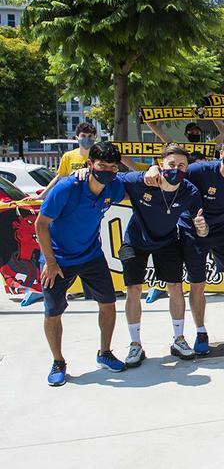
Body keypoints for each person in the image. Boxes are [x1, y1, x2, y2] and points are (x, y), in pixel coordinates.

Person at [146, 136, 224, 353]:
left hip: (221, 229)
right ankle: (200, 331)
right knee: (197, 285)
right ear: (220, 154)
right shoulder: (199, 170)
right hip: (192, 230)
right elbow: (170, 171)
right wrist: (153, 168)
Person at [37, 142, 128, 386]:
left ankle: (105, 353)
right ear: (90, 164)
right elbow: (41, 224)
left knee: (108, 303)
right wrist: (50, 261)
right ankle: (58, 362)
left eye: (112, 167)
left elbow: (137, 183)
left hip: (91, 256)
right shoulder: (68, 187)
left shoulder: (114, 186)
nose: (107, 170)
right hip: (57, 259)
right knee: (53, 312)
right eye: (102, 165)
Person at [118, 145, 207, 366]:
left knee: (175, 288)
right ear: (161, 164)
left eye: (181, 165)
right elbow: (112, 178)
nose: (176, 169)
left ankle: (179, 339)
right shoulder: (142, 181)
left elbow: (199, 224)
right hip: (136, 240)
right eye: (171, 164)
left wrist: (202, 228)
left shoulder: (190, 191)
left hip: (167, 240)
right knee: (134, 290)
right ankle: (135, 345)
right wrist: (79, 173)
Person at [40, 123, 97, 199]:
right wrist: (41, 196)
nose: (86, 139)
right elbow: (59, 178)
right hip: (71, 199)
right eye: (83, 136)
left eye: (90, 136)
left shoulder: (99, 157)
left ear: (95, 138)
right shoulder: (68, 156)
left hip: (92, 200)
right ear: (77, 138)